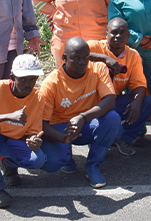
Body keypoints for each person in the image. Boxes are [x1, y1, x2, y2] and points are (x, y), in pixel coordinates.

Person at [40, 37, 120, 189]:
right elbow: (41, 123)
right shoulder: (51, 83)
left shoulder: (98, 68)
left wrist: (82, 117)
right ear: (64, 58)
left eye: (85, 57)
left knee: (112, 118)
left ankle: (93, 165)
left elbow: (110, 100)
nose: (82, 62)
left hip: (85, 122)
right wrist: (62, 138)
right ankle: (66, 157)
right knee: (52, 163)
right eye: (76, 58)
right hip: (60, 127)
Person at [88, 18, 151, 156]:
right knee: (111, 122)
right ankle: (99, 138)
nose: (118, 36)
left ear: (128, 35)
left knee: (148, 102)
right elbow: (74, 54)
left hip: (113, 103)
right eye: (114, 32)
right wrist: (104, 58)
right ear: (106, 33)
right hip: (90, 105)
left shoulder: (133, 55)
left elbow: (139, 84)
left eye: (122, 32)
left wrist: (137, 101)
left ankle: (123, 139)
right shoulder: (93, 46)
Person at [0, 54, 46, 208]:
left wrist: (33, 139)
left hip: (14, 140)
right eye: (23, 79)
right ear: (12, 77)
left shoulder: (38, 97)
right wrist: (9, 116)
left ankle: (8, 164)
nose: (28, 84)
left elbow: (33, 130)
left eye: (32, 79)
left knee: (37, 160)